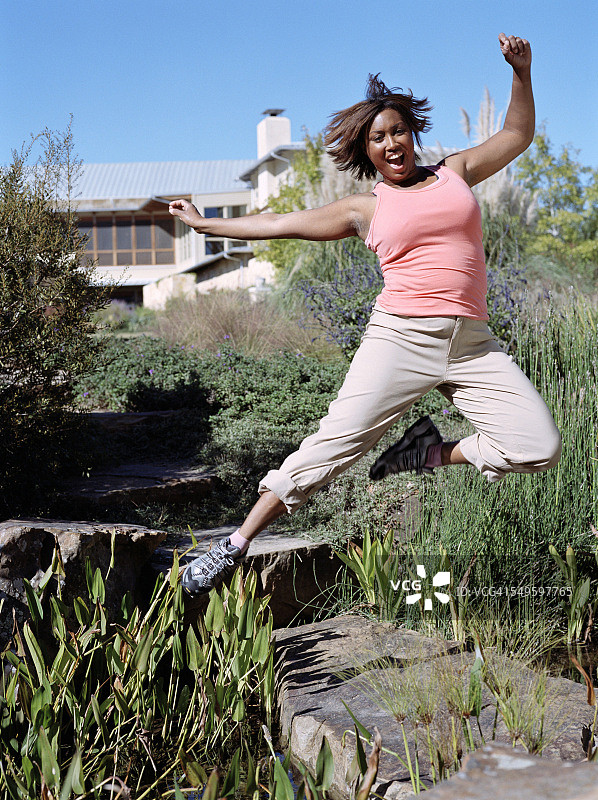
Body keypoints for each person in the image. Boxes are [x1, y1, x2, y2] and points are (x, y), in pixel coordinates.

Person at [169, 33, 562, 597]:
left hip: (472, 342)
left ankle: (426, 452)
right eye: (378, 138)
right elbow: (280, 222)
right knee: (332, 447)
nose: (392, 143)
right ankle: (233, 545)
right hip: (401, 339)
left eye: (398, 130)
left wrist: (521, 73)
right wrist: (209, 226)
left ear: (412, 132)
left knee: (538, 447)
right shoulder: (364, 209)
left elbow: (517, 134)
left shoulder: (455, 172)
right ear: (367, 151)